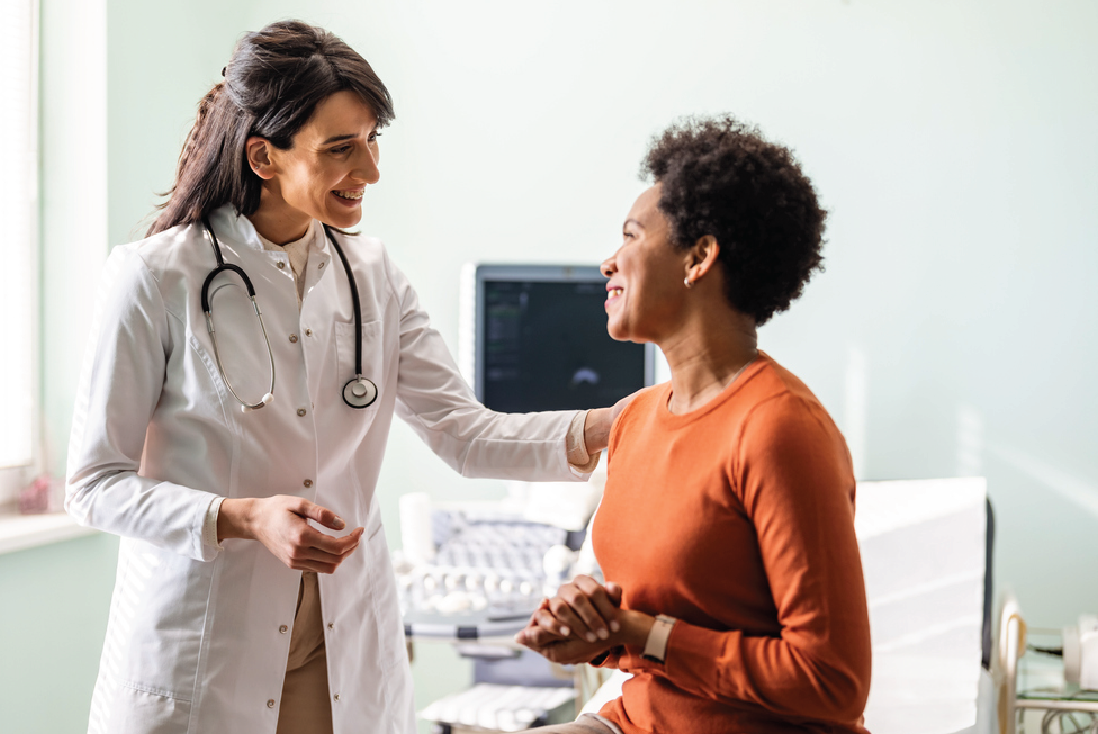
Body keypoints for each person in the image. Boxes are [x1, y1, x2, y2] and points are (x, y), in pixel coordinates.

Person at [65, 20, 620, 734]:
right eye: (340, 149)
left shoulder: (373, 275)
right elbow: (94, 485)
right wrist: (241, 517)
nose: (371, 170)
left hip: (342, 651)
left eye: (372, 140)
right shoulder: (155, 276)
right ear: (264, 156)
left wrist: (630, 421)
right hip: (206, 653)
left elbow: (465, 434)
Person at [515, 116, 872, 733]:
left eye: (630, 236)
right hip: (641, 721)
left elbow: (831, 680)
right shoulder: (636, 419)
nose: (608, 262)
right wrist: (594, 629)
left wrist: (641, 634)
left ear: (699, 257)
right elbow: (662, 612)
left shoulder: (779, 430)